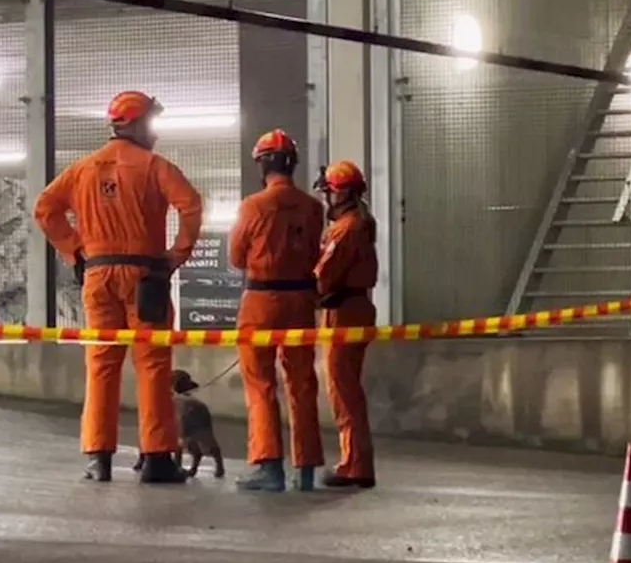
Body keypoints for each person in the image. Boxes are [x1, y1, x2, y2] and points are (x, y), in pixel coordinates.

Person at [33, 91, 204, 484]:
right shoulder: (154, 166)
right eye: (152, 123)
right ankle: (158, 457)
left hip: (98, 276)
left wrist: (75, 252)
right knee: (153, 366)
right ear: (140, 123)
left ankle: (98, 458)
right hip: (146, 279)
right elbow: (190, 205)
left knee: (101, 365)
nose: (154, 132)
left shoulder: (82, 170)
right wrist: (176, 255)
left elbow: (45, 209)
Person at [228, 129, 325, 493]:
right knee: (302, 383)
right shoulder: (314, 207)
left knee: (261, 384)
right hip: (301, 301)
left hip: (261, 302)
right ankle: (307, 468)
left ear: (262, 164)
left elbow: (237, 257)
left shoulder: (253, 206)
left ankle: (268, 466)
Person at [314, 160, 378, 489]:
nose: (326, 198)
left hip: (344, 313)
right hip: (354, 308)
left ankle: (354, 465)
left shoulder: (346, 228)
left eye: (328, 191)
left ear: (342, 193)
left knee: (343, 391)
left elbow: (323, 276)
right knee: (348, 388)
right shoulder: (359, 223)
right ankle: (357, 462)